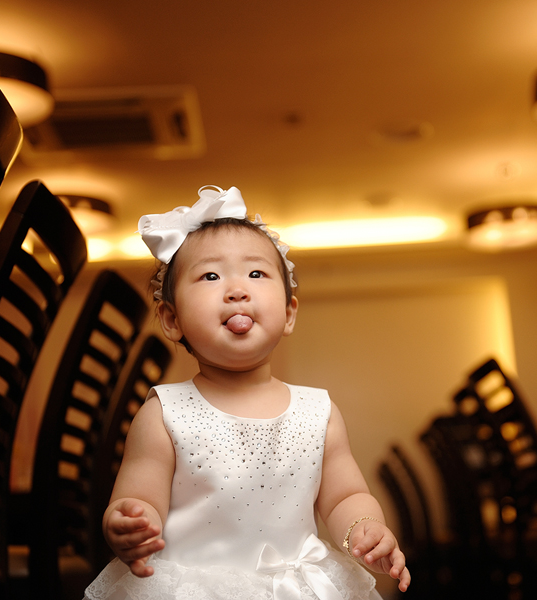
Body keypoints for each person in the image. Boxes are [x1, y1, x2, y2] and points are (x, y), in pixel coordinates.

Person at [84, 185, 411, 600]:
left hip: (297, 589)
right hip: (191, 590)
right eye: (210, 276)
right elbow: (138, 497)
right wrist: (129, 522)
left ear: (289, 313)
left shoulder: (318, 411)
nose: (237, 289)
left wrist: (364, 528)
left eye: (256, 274)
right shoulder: (164, 413)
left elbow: (345, 495)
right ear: (172, 319)